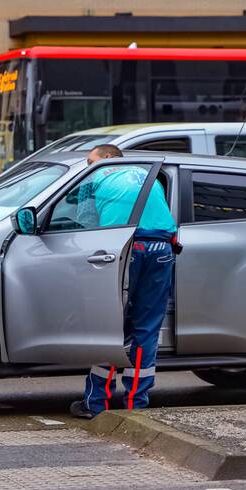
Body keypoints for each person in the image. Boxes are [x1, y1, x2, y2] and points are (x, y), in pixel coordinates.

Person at [70, 145, 178, 419]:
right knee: (147, 327)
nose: (87, 165)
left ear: (106, 158)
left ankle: (96, 404)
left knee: (108, 325)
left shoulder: (94, 177)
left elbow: (85, 224)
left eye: (89, 160)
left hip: (124, 248)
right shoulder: (148, 176)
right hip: (161, 249)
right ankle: (136, 404)